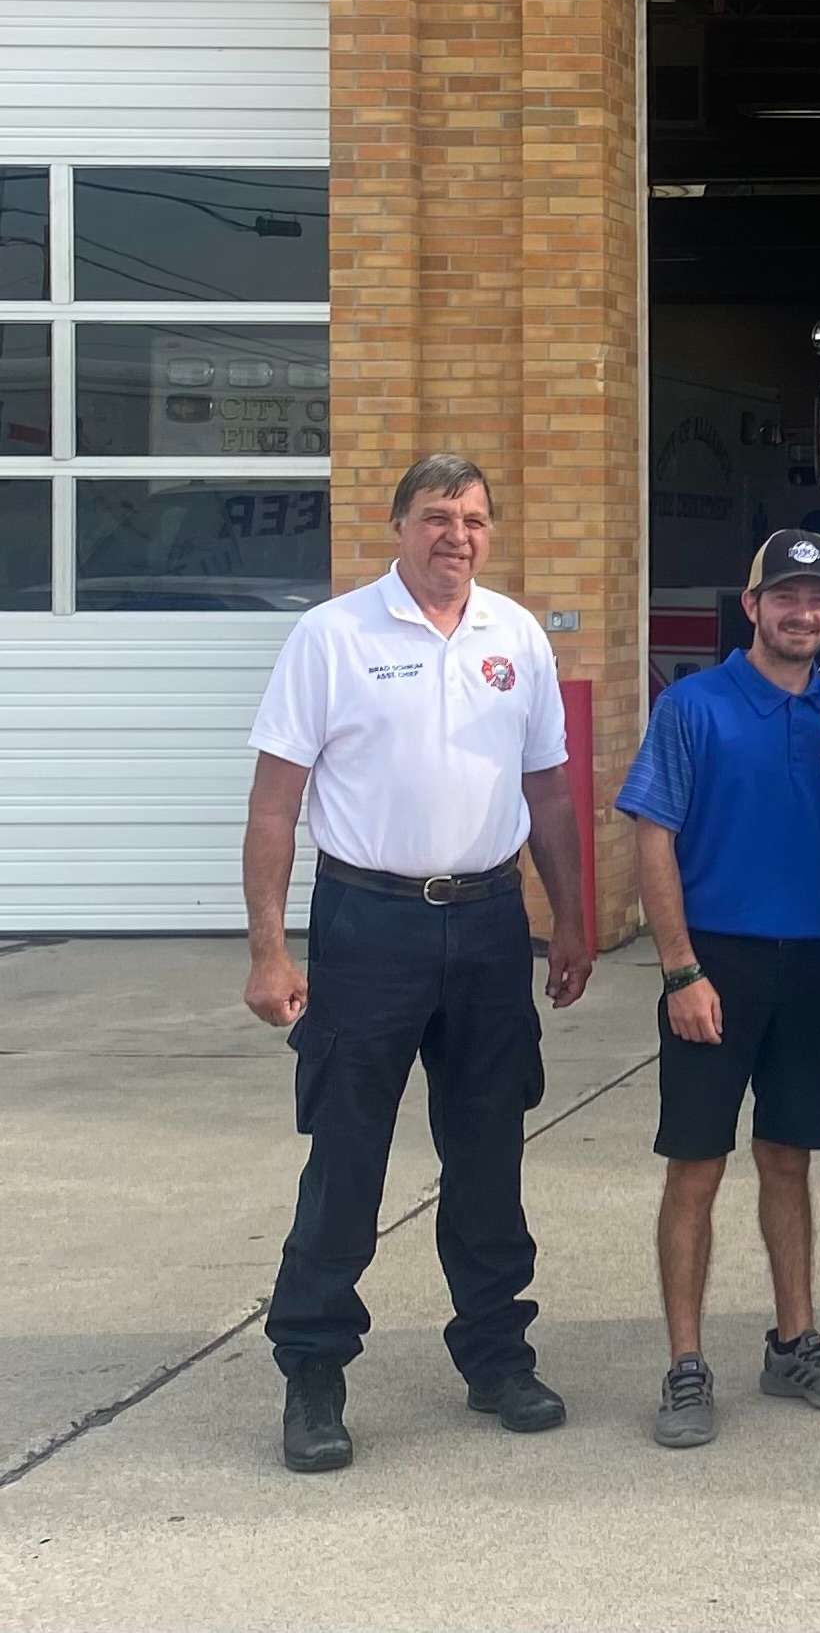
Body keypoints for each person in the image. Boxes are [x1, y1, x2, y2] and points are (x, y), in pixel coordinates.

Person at [239, 453, 596, 1474]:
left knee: (489, 1152)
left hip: (488, 928)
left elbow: (553, 796)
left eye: (476, 519)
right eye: (438, 517)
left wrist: (570, 920)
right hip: (369, 926)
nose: (459, 535)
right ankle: (313, 1374)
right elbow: (275, 805)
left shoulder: (514, 636)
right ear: (397, 526)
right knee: (347, 1156)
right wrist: (270, 949)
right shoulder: (333, 637)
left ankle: (497, 1360)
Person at [617, 529, 820, 1450]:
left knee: (789, 1158)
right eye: (786, 597)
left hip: (812, 955)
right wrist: (680, 968)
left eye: (819, 600)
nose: (802, 613)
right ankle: (686, 1365)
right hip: (715, 961)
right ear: (753, 604)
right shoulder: (692, 706)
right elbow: (652, 837)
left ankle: (794, 1340)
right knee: (696, 1166)